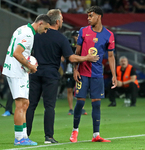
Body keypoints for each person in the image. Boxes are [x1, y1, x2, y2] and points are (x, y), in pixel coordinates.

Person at [26, 9, 99, 144]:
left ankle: (24, 136)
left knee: (30, 105)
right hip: (51, 75)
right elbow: (71, 58)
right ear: (58, 21)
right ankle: (48, 137)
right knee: (49, 106)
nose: (63, 22)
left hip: (34, 73)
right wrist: (87, 57)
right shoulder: (61, 38)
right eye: (62, 20)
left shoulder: (36, 35)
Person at [69, 6, 117, 143]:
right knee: (80, 102)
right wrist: (75, 69)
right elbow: (76, 53)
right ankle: (74, 131)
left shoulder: (108, 34)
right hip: (83, 73)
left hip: (97, 75)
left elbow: (111, 56)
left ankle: (96, 135)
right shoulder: (83, 31)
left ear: (99, 16)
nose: (88, 18)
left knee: (96, 104)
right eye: (88, 16)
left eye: (91, 15)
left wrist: (114, 74)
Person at [2, 14, 51, 146]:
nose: (45, 32)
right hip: (16, 71)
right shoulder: (28, 34)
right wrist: (30, 66)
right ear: (40, 23)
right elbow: (17, 53)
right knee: (20, 104)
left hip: (17, 70)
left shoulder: (23, 28)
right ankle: (19, 138)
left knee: (25, 103)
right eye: (45, 28)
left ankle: (24, 135)